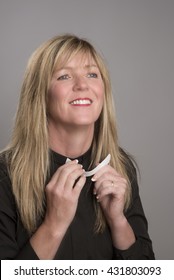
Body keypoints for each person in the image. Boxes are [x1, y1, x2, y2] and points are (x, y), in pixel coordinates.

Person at [0, 34, 155, 260]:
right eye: (64, 76)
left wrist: (118, 221)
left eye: (92, 74)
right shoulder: (5, 175)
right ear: (40, 94)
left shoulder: (121, 167)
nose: (83, 85)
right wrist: (54, 224)